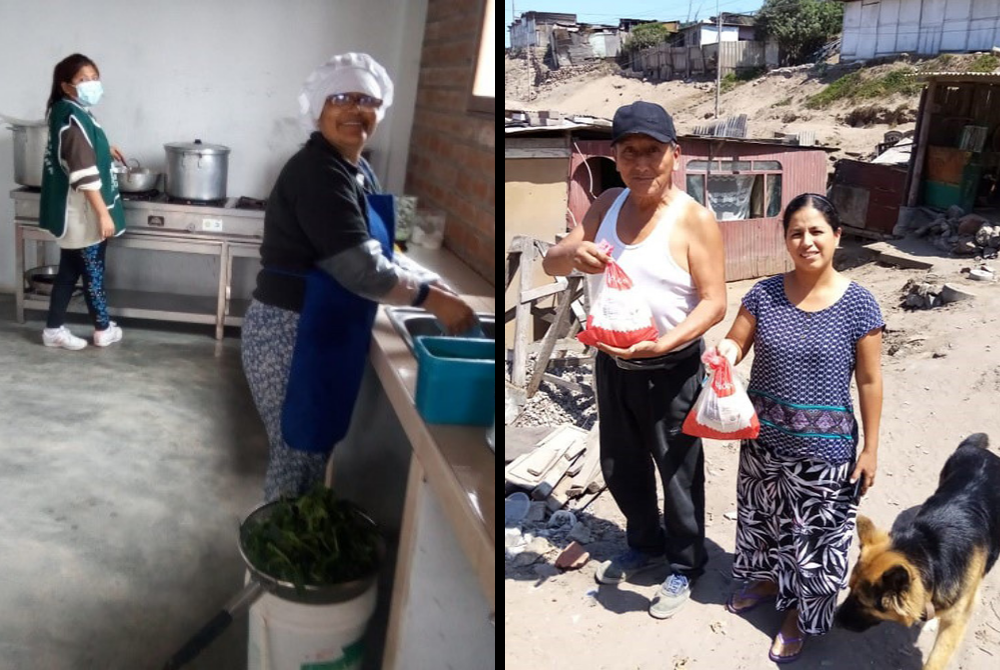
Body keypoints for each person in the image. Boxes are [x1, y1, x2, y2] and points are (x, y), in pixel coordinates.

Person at [242, 53, 476, 502]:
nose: (354, 109)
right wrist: (432, 298)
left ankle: (291, 555)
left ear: (380, 110)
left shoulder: (355, 169)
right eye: (341, 98)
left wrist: (430, 281)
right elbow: (359, 269)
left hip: (320, 329)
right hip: (290, 334)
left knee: (307, 458)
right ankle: (273, 565)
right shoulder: (319, 172)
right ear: (318, 109)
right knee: (296, 462)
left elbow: (379, 251)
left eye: (366, 99)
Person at [542, 101, 726, 619]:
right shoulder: (605, 204)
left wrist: (666, 345)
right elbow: (551, 260)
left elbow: (715, 302)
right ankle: (645, 545)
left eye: (652, 151)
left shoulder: (695, 220)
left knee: (678, 473)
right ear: (615, 157)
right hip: (613, 364)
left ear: (675, 154)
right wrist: (571, 256)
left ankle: (686, 564)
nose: (641, 163)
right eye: (629, 152)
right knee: (621, 466)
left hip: (672, 368)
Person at [715, 194, 883, 663]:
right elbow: (736, 339)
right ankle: (770, 580)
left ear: (837, 236)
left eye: (816, 231)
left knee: (817, 540)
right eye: (795, 233)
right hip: (763, 440)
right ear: (785, 239)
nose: (806, 241)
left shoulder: (859, 306)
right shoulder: (763, 294)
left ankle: (799, 616)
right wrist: (726, 353)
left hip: (826, 452)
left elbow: (870, 381)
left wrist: (870, 449)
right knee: (766, 523)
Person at [39, 53, 126, 350]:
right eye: (83, 80)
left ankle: (53, 330)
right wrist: (103, 215)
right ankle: (103, 329)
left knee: (68, 273)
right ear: (66, 86)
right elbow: (83, 171)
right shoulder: (72, 116)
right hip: (84, 212)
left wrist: (106, 148)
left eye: (94, 78)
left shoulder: (71, 110)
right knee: (93, 272)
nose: (91, 84)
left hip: (75, 212)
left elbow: (85, 148)